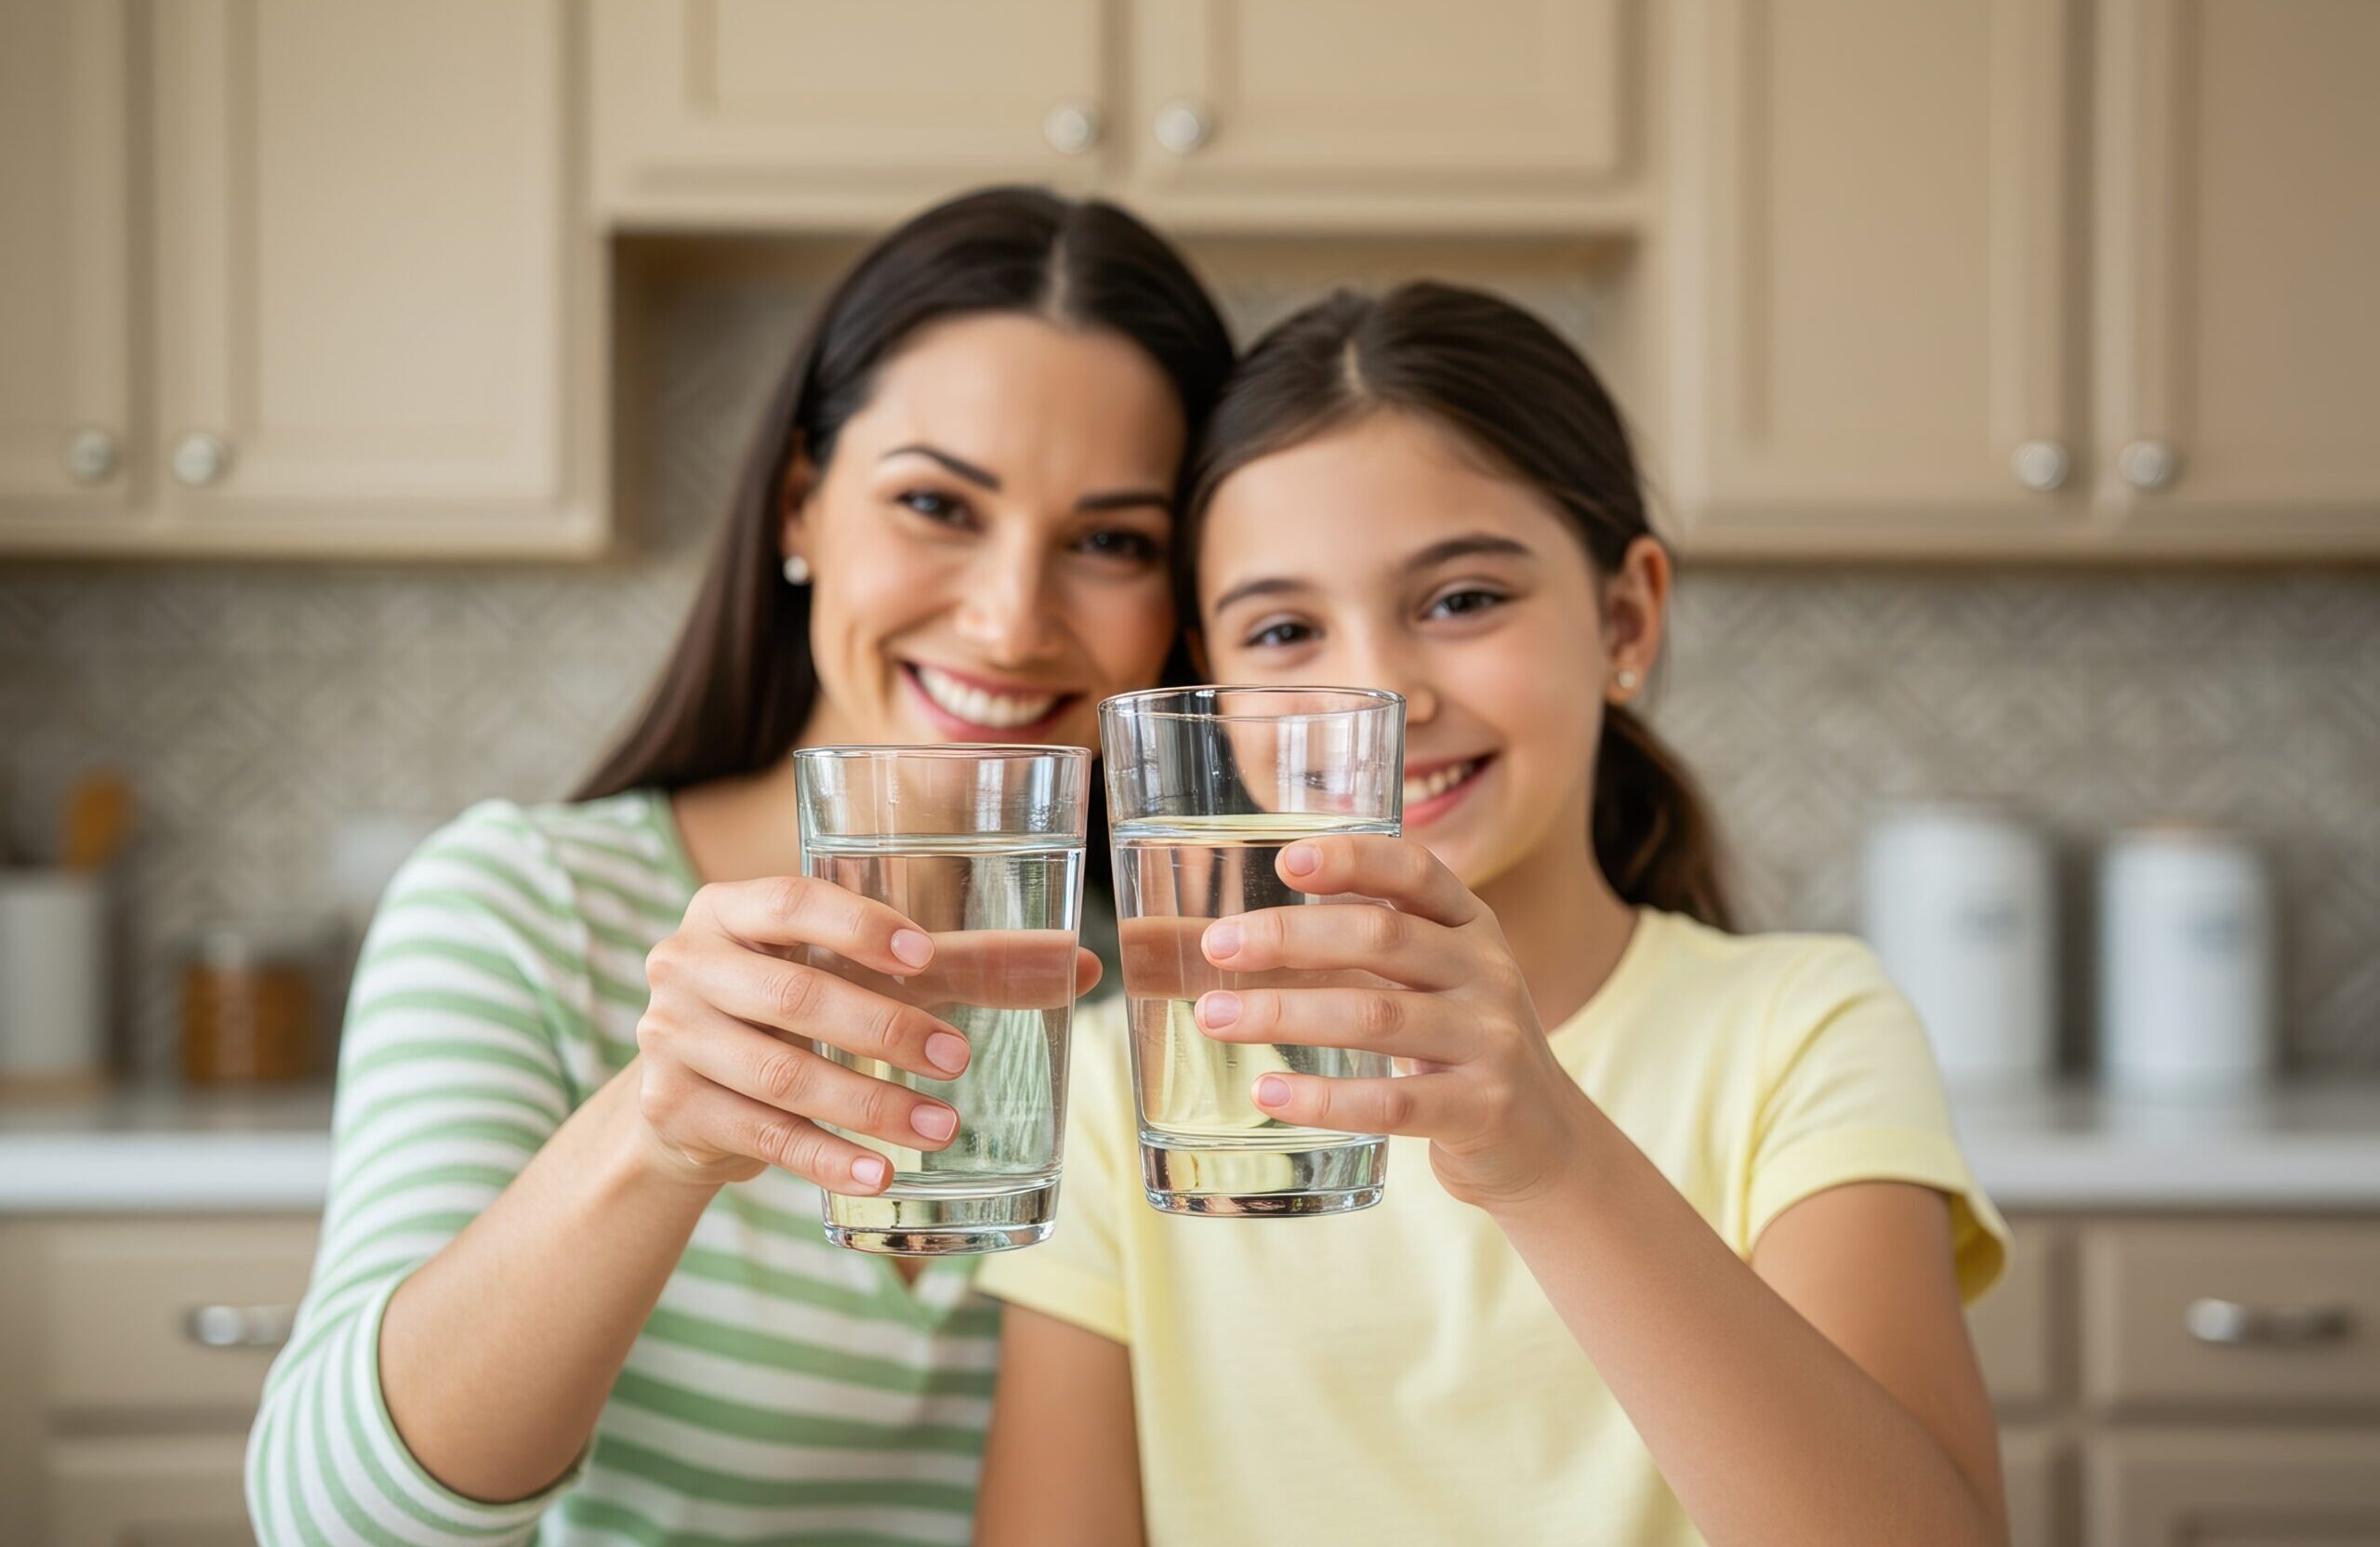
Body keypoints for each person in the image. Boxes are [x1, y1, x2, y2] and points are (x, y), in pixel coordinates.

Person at [245, 187, 1232, 1547]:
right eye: (938, 503)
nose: (1010, 617)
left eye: (1112, 541)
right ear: (801, 507)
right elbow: (331, 1518)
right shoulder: (530, 909)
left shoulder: (1202, 1004)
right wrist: (654, 1138)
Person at [974, 283, 2013, 1547]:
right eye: (1287, 630)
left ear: (1625, 617)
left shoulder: (1802, 1031)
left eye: (1460, 600)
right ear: (1214, 691)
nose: (1382, 697)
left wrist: (1552, 1157)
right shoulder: (1122, 1084)